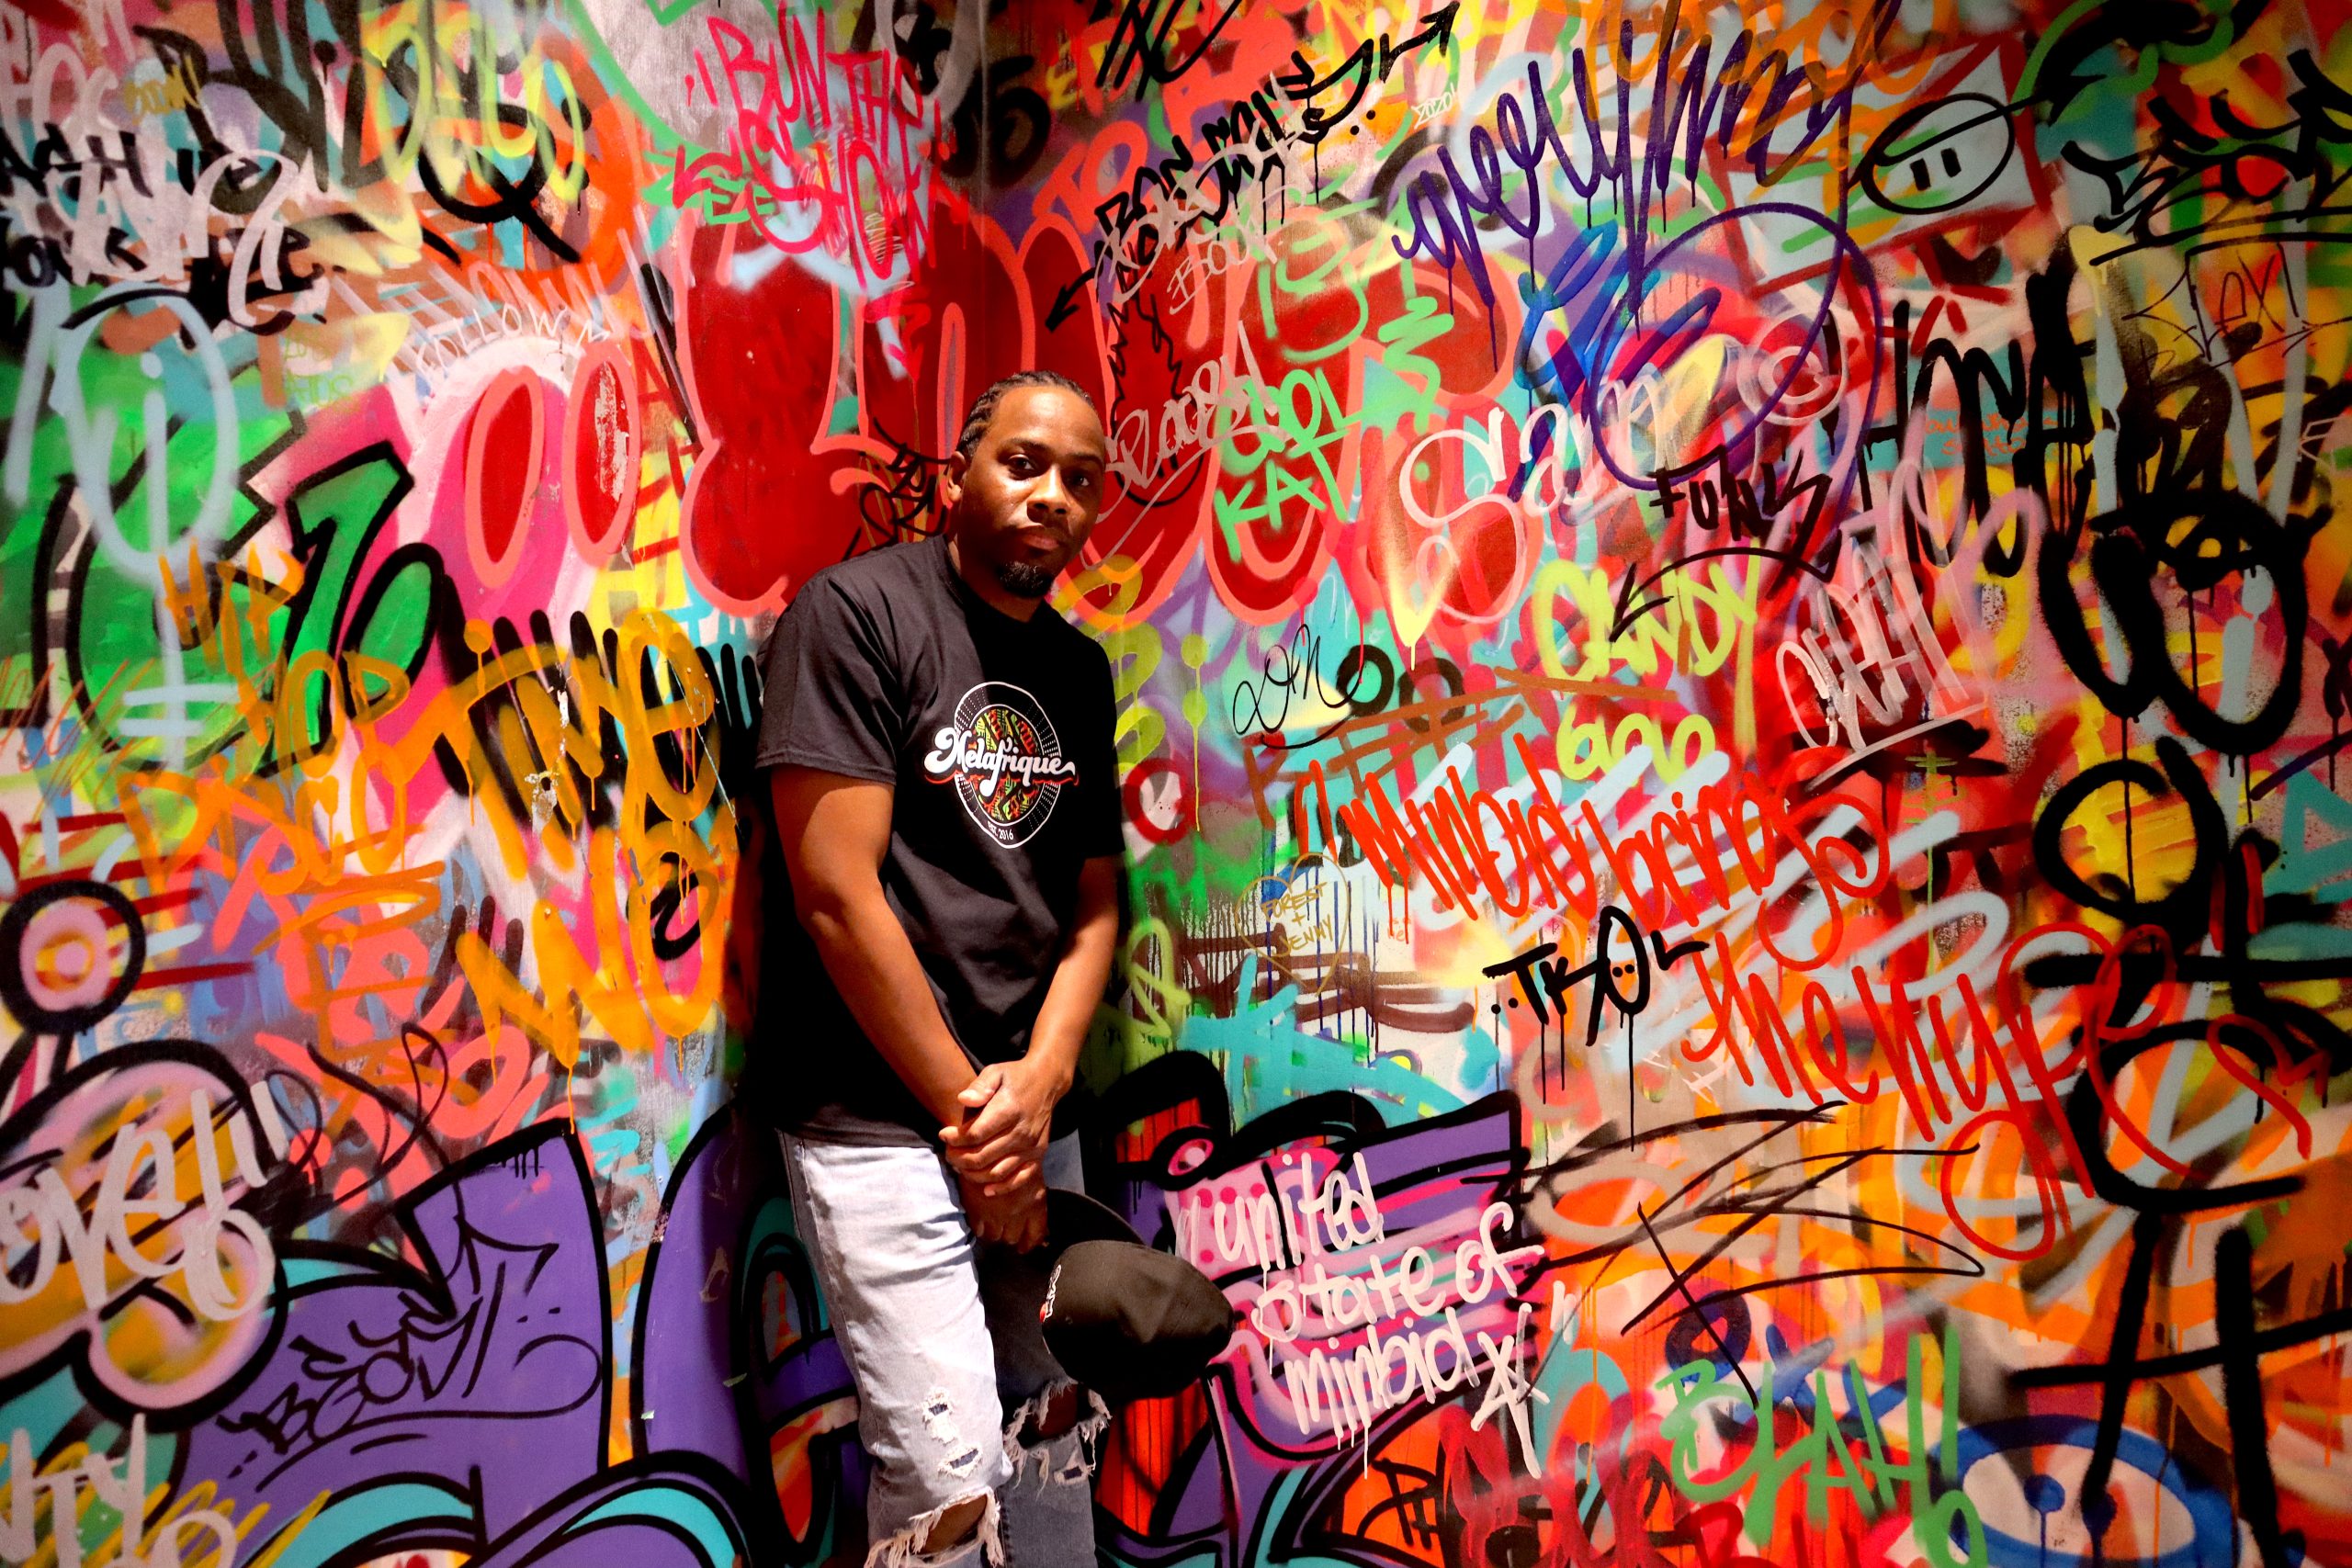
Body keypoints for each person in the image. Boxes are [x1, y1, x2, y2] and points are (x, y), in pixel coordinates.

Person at [751, 370, 1123, 1567]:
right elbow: (837, 896)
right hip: (877, 1116)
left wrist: (1043, 1083)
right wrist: (979, 1125)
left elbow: (1096, 905)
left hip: (1020, 1115)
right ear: (962, 465)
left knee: (1059, 1427)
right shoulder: (855, 616)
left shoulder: (1079, 669)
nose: (1049, 496)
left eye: (1080, 480)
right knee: (949, 1473)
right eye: (1023, 462)